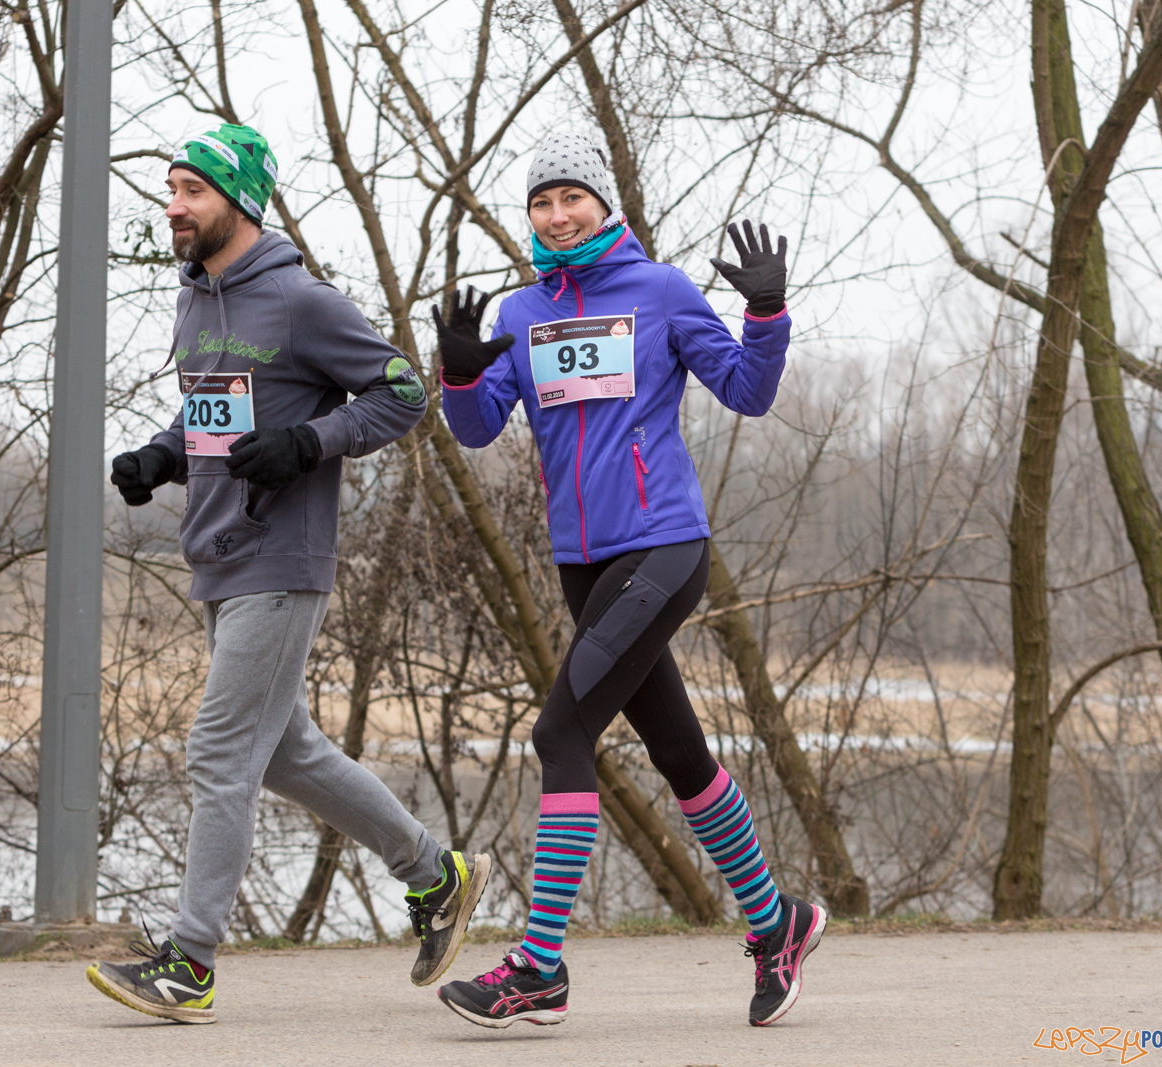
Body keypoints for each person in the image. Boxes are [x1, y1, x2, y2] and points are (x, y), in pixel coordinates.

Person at [89, 123, 490, 1024]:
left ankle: (189, 960)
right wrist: (162, 457)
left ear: (238, 199)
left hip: (284, 559)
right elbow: (215, 419)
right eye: (171, 188)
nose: (174, 205)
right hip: (218, 557)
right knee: (287, 753)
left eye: (192, 189)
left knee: (220, 752)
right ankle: (438, 874)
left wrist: (313, 439)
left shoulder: (304, 302)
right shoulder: (197, 301)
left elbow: (401, 392)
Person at [432, 132, 823, 1029]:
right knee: (681, 755)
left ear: (604, 206)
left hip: (663, 547)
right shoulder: (524, 311)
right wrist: (458, 367)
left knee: (561, 732)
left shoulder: (663, 291)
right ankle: (778, 924)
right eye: (541, 202)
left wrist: (765, 315)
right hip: (582, 564)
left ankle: (538, 968)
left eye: (572, 197)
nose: (557, 214)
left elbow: (746, 390)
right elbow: (479, 427)